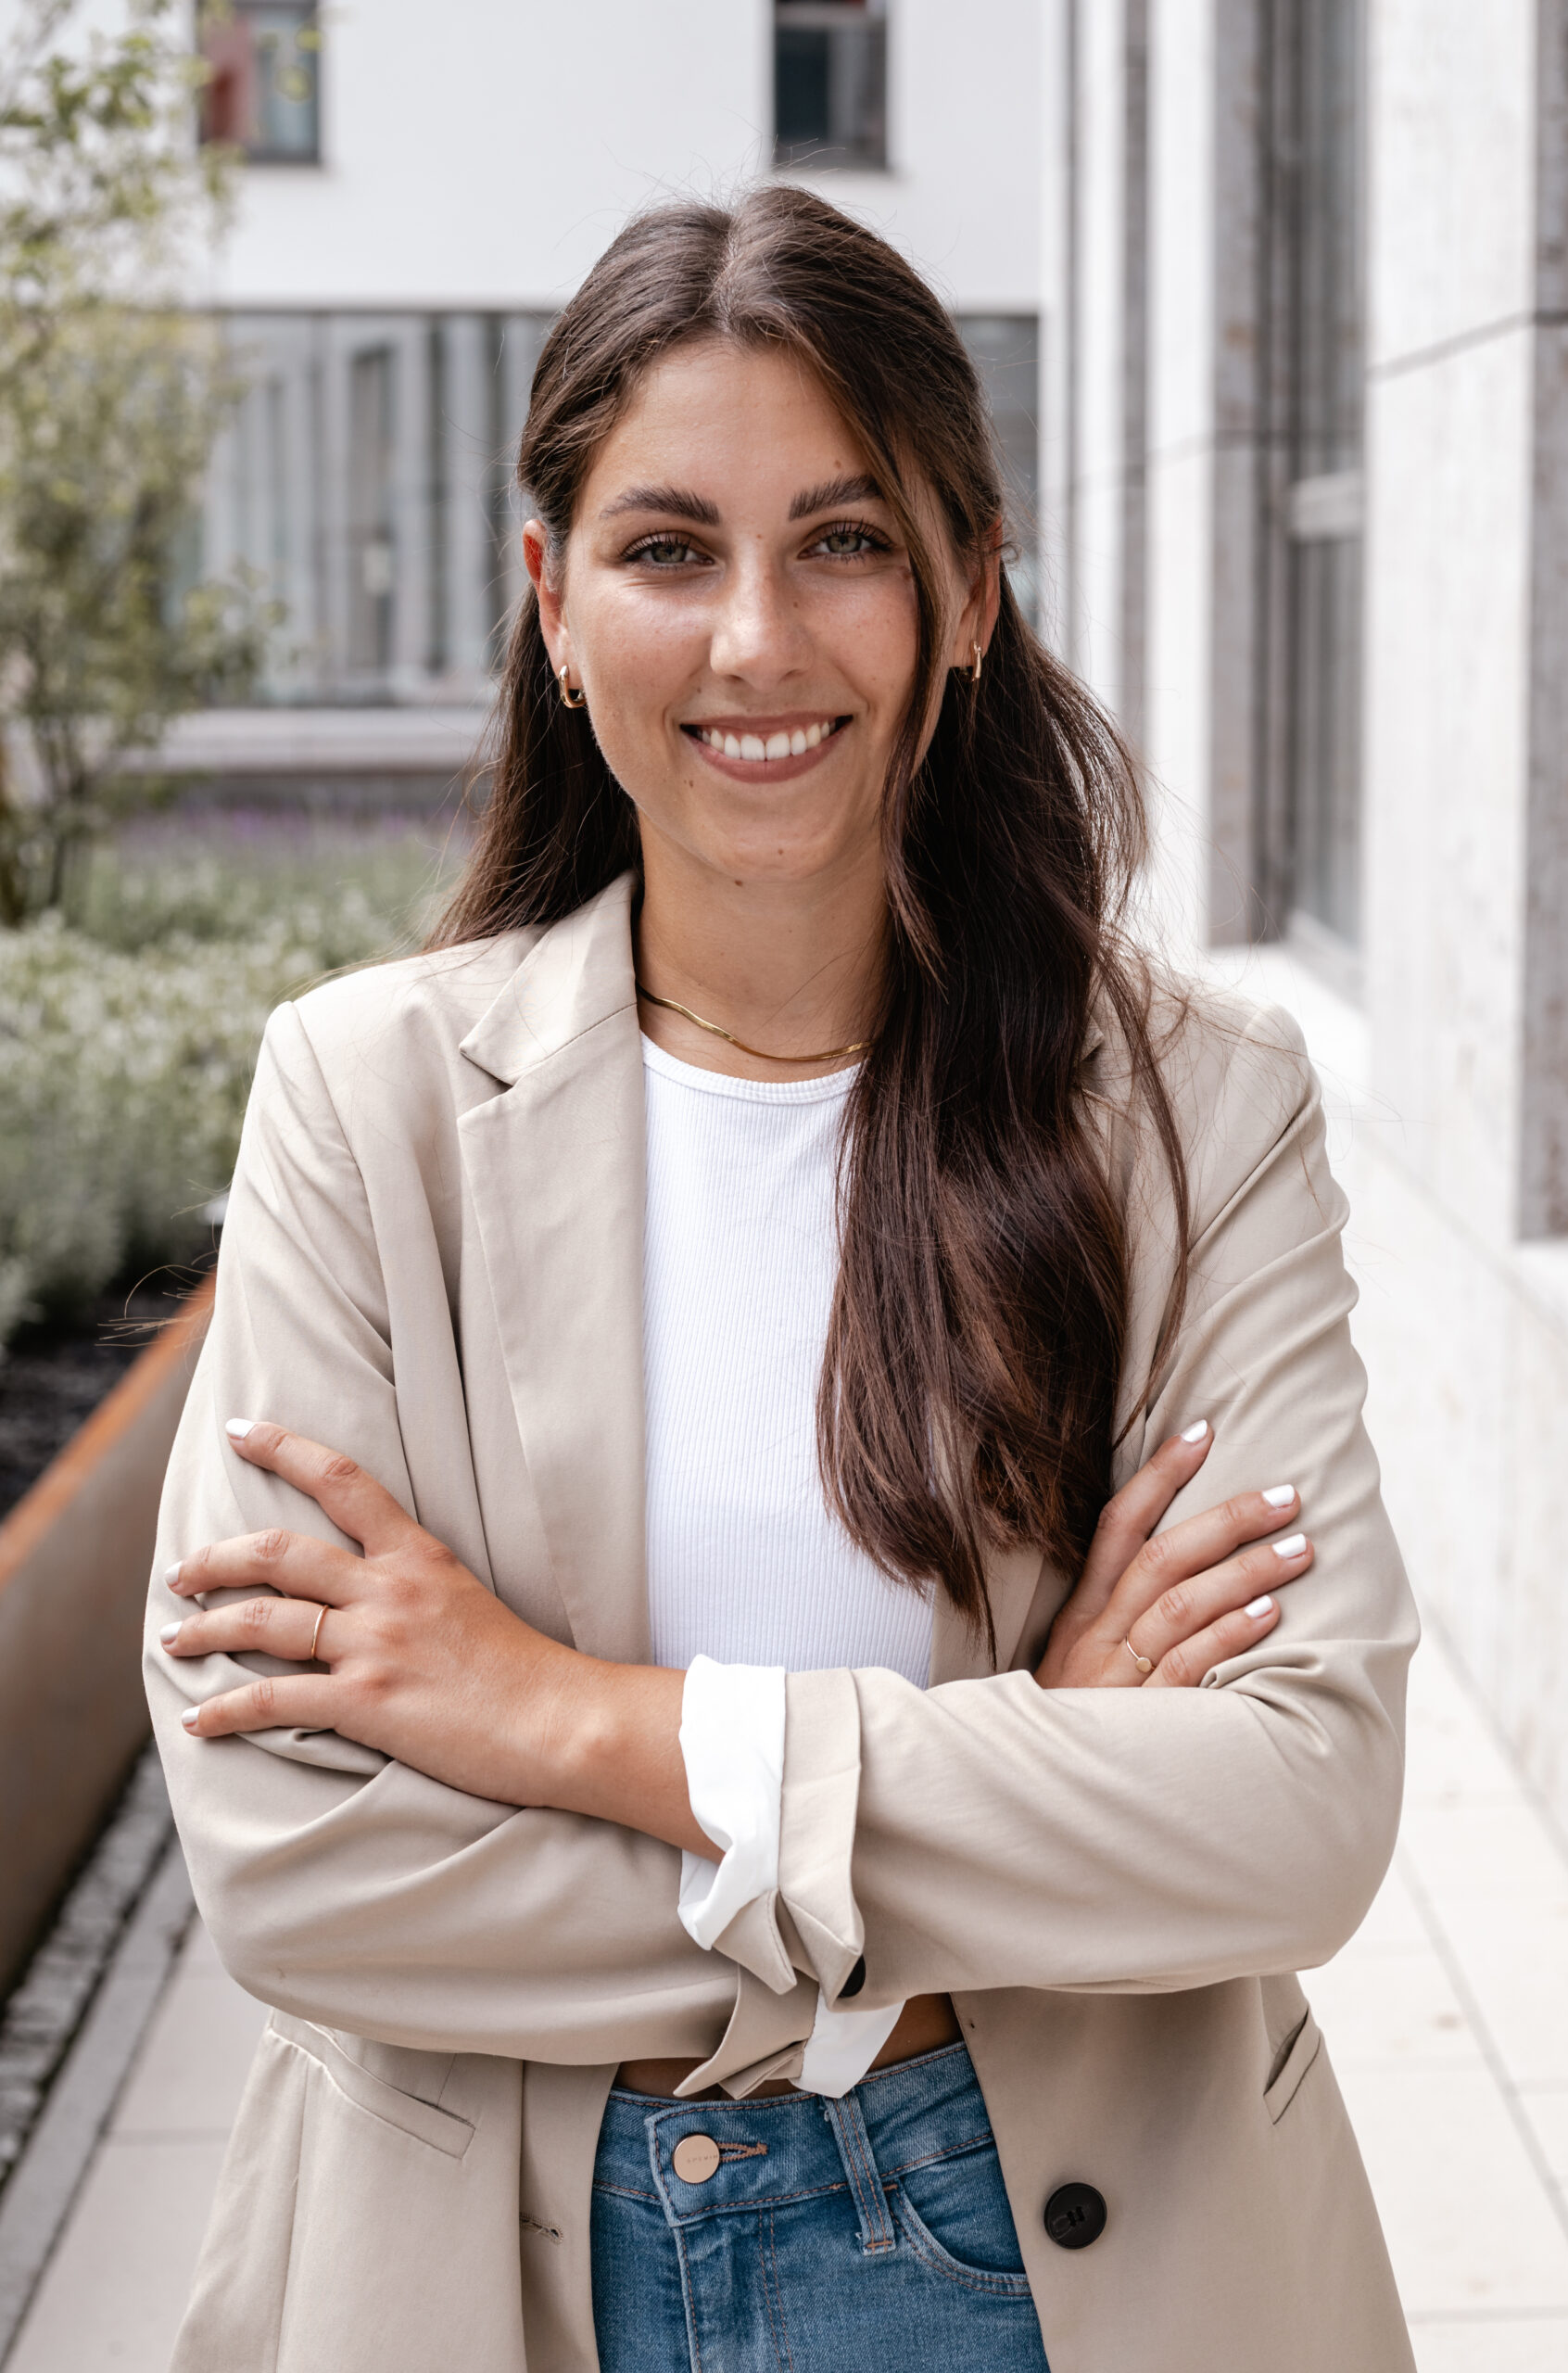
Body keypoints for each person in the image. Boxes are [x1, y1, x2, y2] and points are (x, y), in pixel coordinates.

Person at [145, 186, 1416, 2373]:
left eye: (839, 540)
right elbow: (296, 1862)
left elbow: (1289, 1811)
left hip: (1052, 2267)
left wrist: (574, 1726)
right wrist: (1023, 1799)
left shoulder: (1192, 1107)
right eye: (665, 549)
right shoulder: (367, 1107)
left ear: (963, 594)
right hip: (508, 2273)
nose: (755, 638)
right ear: (548, 601)